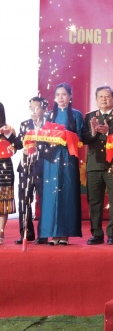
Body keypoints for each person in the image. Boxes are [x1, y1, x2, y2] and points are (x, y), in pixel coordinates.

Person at [82, 86, 113, 245]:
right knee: (94, 201)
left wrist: (109, 132)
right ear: (96, 99)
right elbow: (84, 139)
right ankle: (96, 234)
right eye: (100, 97)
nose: (104, 99)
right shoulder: (89, 117)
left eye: (107, 96)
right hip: (94, 164)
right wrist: (93, 133)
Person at [40, 83, 83, 245]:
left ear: (70, 96)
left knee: (67, 193)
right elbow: (43, 138)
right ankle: (52, 233)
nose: (61, 98)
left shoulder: (77, 115)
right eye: (58, 95)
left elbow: (80, 138)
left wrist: (66, 137)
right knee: (51, 195)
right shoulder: (49, 115)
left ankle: (65, 233)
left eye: (64, 94)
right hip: (51, 160)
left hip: (68, 158)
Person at [12, 97, 48, 245]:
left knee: (44, 202)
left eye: (37, 108)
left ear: (44, 109)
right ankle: (26, 233)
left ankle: (43, 234)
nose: (33, 111)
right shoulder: (25, 124)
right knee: (23, 201)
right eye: (30, 108)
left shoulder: (49, 125)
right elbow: (19, 145)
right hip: (26, 167)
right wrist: (12, 138)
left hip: (44, 167)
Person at [0, 102, 16, 244]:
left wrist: (7, 134)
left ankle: (0, 232)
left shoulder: (8, 129)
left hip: (4, 168)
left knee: (3, 201)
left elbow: (16, 146)